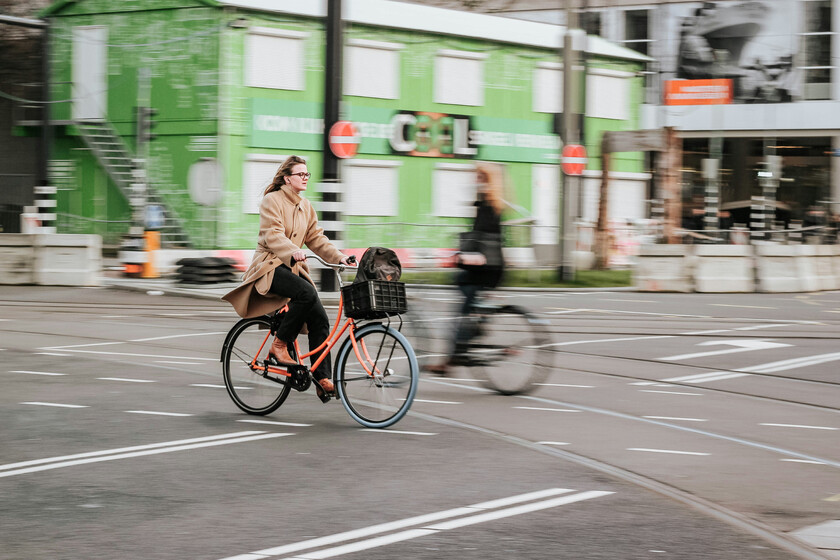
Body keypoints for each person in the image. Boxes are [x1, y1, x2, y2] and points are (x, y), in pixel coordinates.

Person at [222, 155, 351, 399]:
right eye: (300, 174)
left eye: (307, 174)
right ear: (287, 178)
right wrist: (293, 251)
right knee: (306, 293)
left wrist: (340, 257)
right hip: (269, 266)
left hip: (292, 267)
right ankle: (279, 345)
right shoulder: (272, 200)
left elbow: (316, 239)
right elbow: (273, 235)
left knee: (320, 318)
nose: (305, 178)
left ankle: (321, 377)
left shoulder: (306, 206)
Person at [427, 163, 506, 376]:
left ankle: (457, 350)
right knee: (463, 291)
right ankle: (475, 324)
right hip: (492, 269)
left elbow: (484, 243)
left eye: (480, 176)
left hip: (486, 269)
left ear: (488, 180)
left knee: (462, 297)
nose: (476, 180)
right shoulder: (490, 203)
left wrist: (460, 257)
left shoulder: (487, 205)